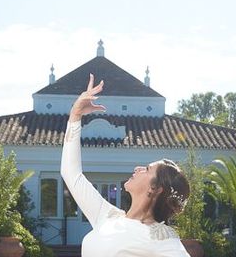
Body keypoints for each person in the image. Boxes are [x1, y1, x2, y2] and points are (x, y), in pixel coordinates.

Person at [61, 74, 191, 257]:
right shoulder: (106, 215)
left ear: (156, 188)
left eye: (147, 169)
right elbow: (71, 174)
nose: (138, 168)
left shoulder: (162, 239)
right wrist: (75, 116)